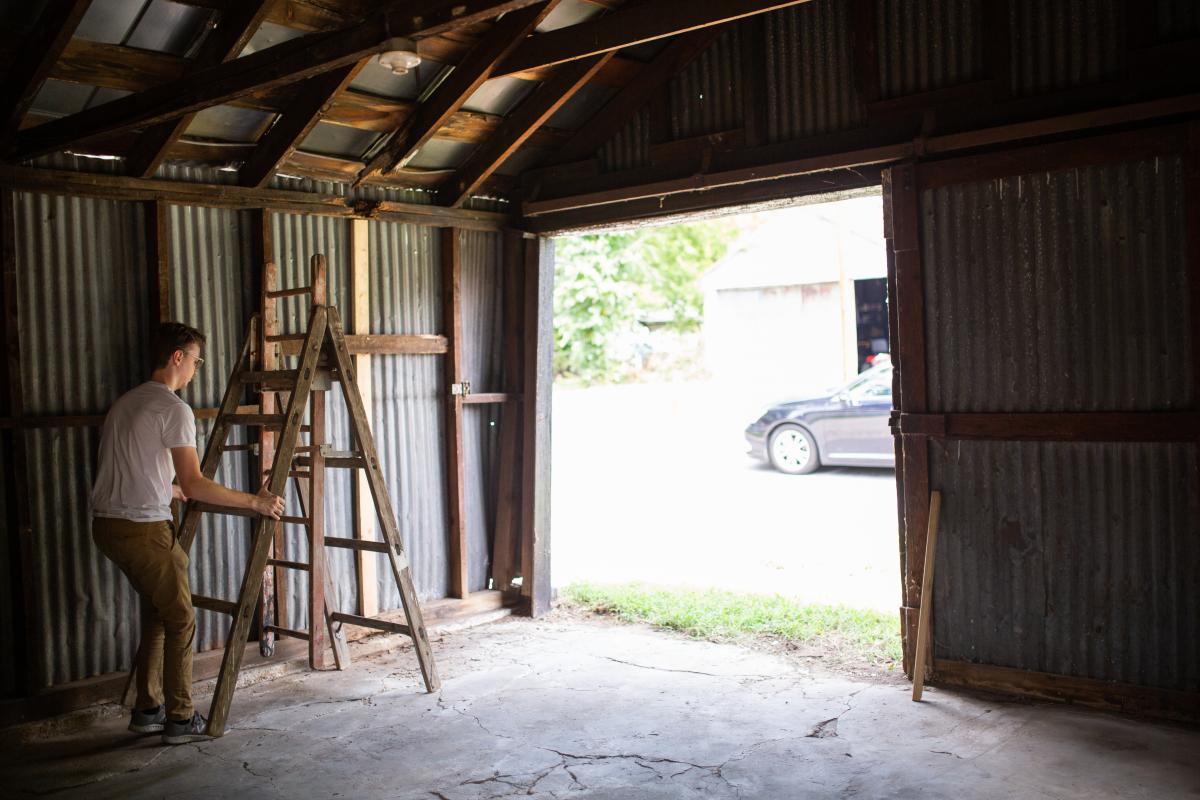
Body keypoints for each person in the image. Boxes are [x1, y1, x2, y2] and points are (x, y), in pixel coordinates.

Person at [90, 322, 285, 745]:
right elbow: (195, 484)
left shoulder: (126, 403)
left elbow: (136, 469)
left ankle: (147, 710)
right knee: (181, 617)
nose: (197, 368)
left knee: (160, 613)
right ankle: (179, 718)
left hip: (107, 526)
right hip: (142, 530)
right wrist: (254, 502)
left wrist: (168, 489)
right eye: (196, 360)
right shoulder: (173, 409)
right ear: (178, 357)